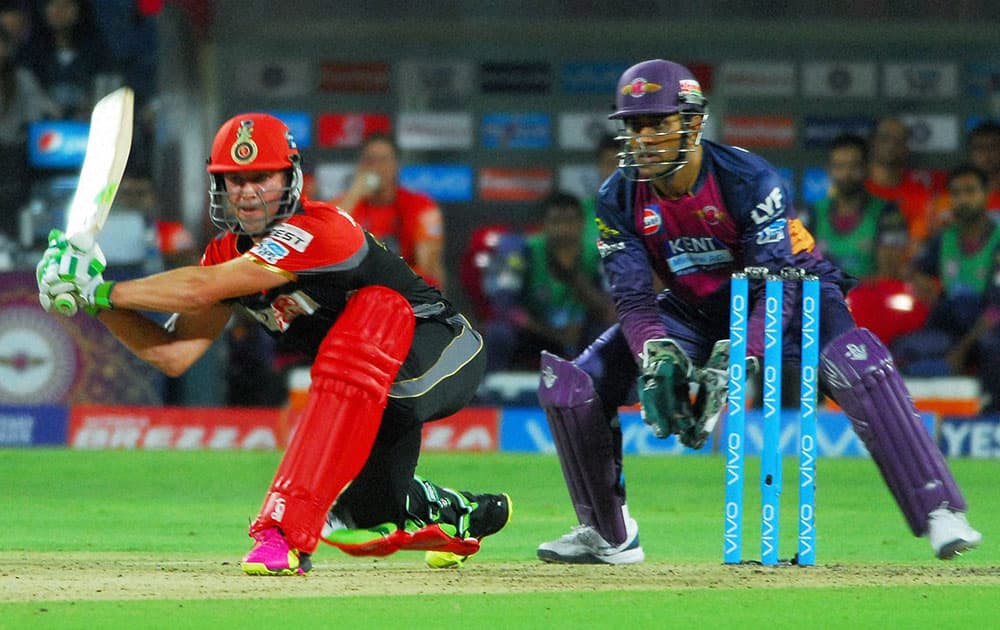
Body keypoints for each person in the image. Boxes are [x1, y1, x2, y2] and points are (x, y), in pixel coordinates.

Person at [535, 59, 982, 565]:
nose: (644, 139)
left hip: (795, 295)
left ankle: (939, 510)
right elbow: (635, 298)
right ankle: (607, 534)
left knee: (859, 365)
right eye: (634, 126)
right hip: (695, 307)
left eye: (657, 124)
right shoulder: (618, 196)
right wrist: (655, 353)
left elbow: (776, 288)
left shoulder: (747, 178)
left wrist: (736, 360)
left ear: (693, 122)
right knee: (574, 385)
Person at [36, 113, 510, 575]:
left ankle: (302, 522)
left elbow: (201, 288)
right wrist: (96, 302)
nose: (245, 192)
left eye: (260, 178)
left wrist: (99, 289)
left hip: (441, 344)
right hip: (362, 379)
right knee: (368, 473)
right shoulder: (223, 253)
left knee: (373, 404)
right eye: (233, 180)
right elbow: (172, 353)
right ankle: (450, 510)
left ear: (290, 179)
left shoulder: (319, 230)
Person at [890, 164, 1000, 413]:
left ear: (986, 194)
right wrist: (919, 282)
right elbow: (913, 269)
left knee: (993, 347)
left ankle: (991, 419)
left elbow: (996, 309)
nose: (963, 199)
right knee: (904, 347)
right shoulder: (944, 238)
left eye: (970, 191)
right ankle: (908, 417)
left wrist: (961, 351)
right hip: (950, 328)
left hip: (989, 328)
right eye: (956, 193)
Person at [484, 191, 616, 372]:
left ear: (582, 224)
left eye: (570, 222)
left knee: (614, 334)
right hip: (536, 332)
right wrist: (552, 333)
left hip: (583, 332)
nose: (563, 230)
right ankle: (489, 393)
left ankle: (609, 394)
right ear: (543, 225)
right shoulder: (519, 251)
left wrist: (574, 277)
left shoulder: (599, 255)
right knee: (499, 333)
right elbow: (504, 307)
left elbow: (610, 311)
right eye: (555, 222)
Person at [332, 132, 445, 290]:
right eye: (370, 160)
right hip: (358, 288)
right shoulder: (347, 203)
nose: (377, 167)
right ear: (360, 166)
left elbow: (427, 264)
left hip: (406, 288)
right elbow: (327, 241)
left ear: (396, 166)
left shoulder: (421, 206)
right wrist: (355, 194)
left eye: (384, 160)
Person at [806, 133, 910, 282]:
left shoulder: (888, 214)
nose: (846, 174)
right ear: (829, 170)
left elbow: (889, 276)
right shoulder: (813, 213)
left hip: (869, 302)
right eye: (839, 166)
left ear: (867, 168)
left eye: (854, 166)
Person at [865, 116, 935, 245]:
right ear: (873, 142)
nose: (891, 146)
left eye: (899, 140)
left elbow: (917, 243)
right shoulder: (857, 190)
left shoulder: (919, 195)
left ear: (907, 147)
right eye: (885, 139)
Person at [966, 121, 1000, 213]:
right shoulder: (961, 195)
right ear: (971, 153)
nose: (987, 153)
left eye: (993, 146)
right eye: (980, 147)